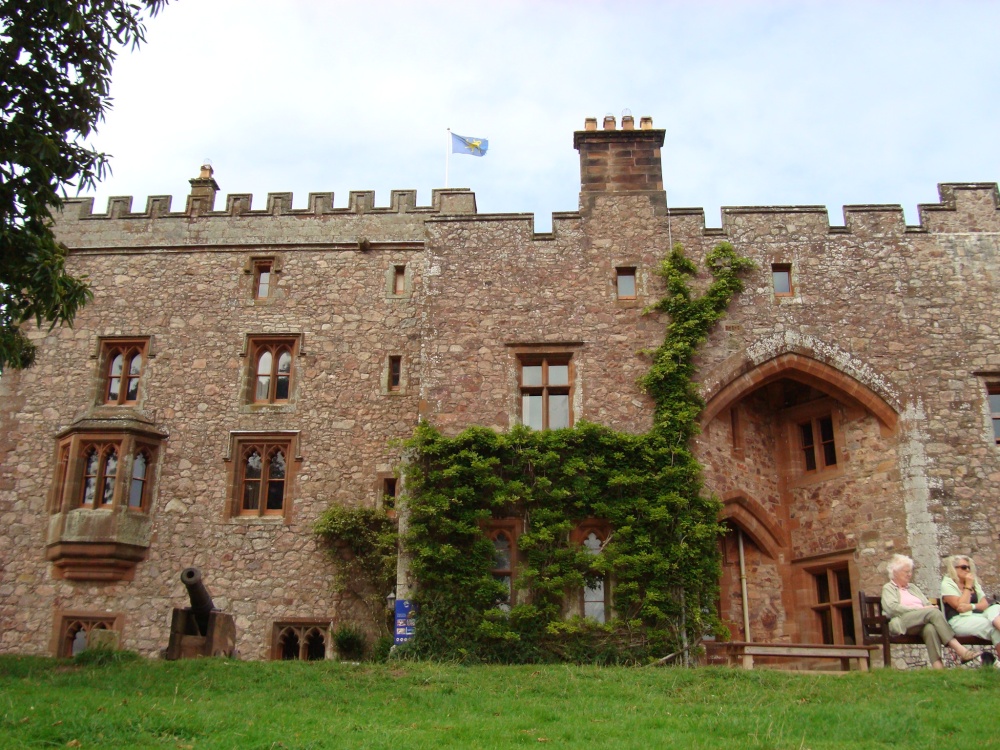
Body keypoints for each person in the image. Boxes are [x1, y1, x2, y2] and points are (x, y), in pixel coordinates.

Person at [881, 554, 977, 669]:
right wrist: (921, 610)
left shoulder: (912, 588)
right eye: (906, 572)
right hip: (902, 622)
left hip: (920, 622)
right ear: (895, 572)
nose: (909, 574)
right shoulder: (888, 588)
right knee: (933, 613)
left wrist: (929, 608)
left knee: (930, 629)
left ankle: (938, 667)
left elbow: (926, 604)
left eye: (910, 571)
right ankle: (959, 649)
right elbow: (892, 608)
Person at [941, 555, 1000, 665]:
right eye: (964, 567)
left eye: (969, 567)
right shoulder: (948, 583)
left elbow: (984, 604)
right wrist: (968, 586)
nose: (967, 570)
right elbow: (960, 606)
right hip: (959, 621)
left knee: (995, 609)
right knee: (994, 627)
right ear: (954, 568)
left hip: (979, 617)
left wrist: (971, 606)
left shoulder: (974, 583)